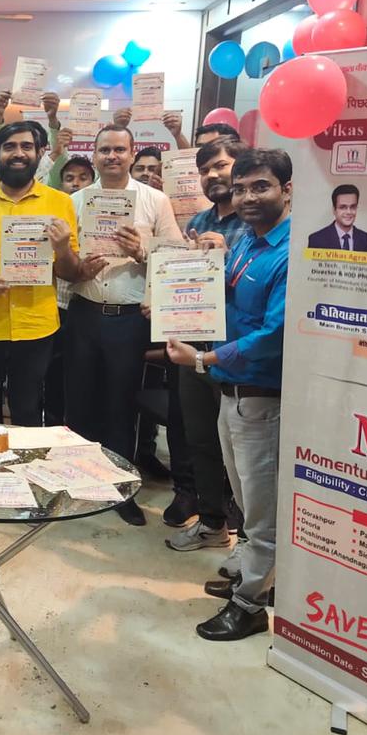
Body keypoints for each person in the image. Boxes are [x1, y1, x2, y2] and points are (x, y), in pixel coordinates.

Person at [167, 148, 291, 642]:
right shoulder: (245, 245)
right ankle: (254, 576)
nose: (247, 197)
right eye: (240, 189)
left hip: (261, 393)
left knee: (261, 505)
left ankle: (250, 604)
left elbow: (274, 334)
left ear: (287, 190)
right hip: (230, 390)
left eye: (260, 186)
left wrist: (205, 359)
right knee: (242, 492)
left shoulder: (291, 253)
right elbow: (219, 296)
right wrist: (180, 288)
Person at [67, 124, 183, 526]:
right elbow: (64, 260)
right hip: (83, 312)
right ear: (94, 155)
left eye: (119, 150)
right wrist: (76, 265)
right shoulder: (76, 201)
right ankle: (79, 482)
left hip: (128, 319)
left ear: (132, 154)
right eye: (105, 150)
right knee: (80, 402)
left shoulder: (155, 200)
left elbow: (175, 257)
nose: (112, 156)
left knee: (121, 406)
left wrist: (143, 250)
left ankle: (120, 488)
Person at [0, 121, 83, 429]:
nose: (18, 153)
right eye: (10, 147)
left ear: (40, 153)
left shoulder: (60, 203)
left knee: (28, 410)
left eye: (27, 146)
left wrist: (62, 248)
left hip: (36, 327)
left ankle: (24, 461)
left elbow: (70, 273)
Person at [166, 138, 251, 551]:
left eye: (220, 165)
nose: (212, 175)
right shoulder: (198, 220)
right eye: (205, 170)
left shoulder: (257, 222)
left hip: (237, 352)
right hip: (194, 346)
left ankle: (249, 538)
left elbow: (255, 285)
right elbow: (186, 283)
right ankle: (212, 522)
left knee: (242, 448)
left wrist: (227, 253)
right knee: (200, 439)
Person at [41, 155, 96, 426]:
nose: (76, 183)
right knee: (52, 378)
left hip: (86, 307)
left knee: (80, 381)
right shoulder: (53, 213)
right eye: (69, 178)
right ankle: (52, 426)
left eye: (83, 178)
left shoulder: (101, 212)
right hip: (56, 307)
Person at [307, 184, 367, 252]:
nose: (349, 212)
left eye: (353, 207)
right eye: (343, 207)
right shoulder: (316, 240)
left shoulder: (366, 239)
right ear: (334, 210)